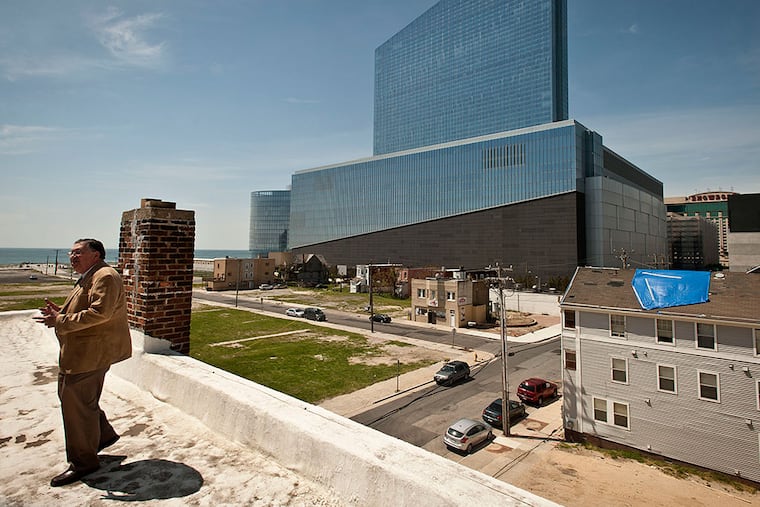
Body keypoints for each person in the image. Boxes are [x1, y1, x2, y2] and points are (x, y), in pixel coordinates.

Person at [34, 238, 132, 487]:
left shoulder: (105, 276)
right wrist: (62, 312)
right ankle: (102, 436)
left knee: (75, 404)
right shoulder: (92, 275)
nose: (72, 256)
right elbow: (87, 306)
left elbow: (101, 312)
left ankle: (83, 462)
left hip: (92, 354)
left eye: (79, 252)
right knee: (75, 400)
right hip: (80, 353)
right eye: (71, 252)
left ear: (96, 254)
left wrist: (61, 320)